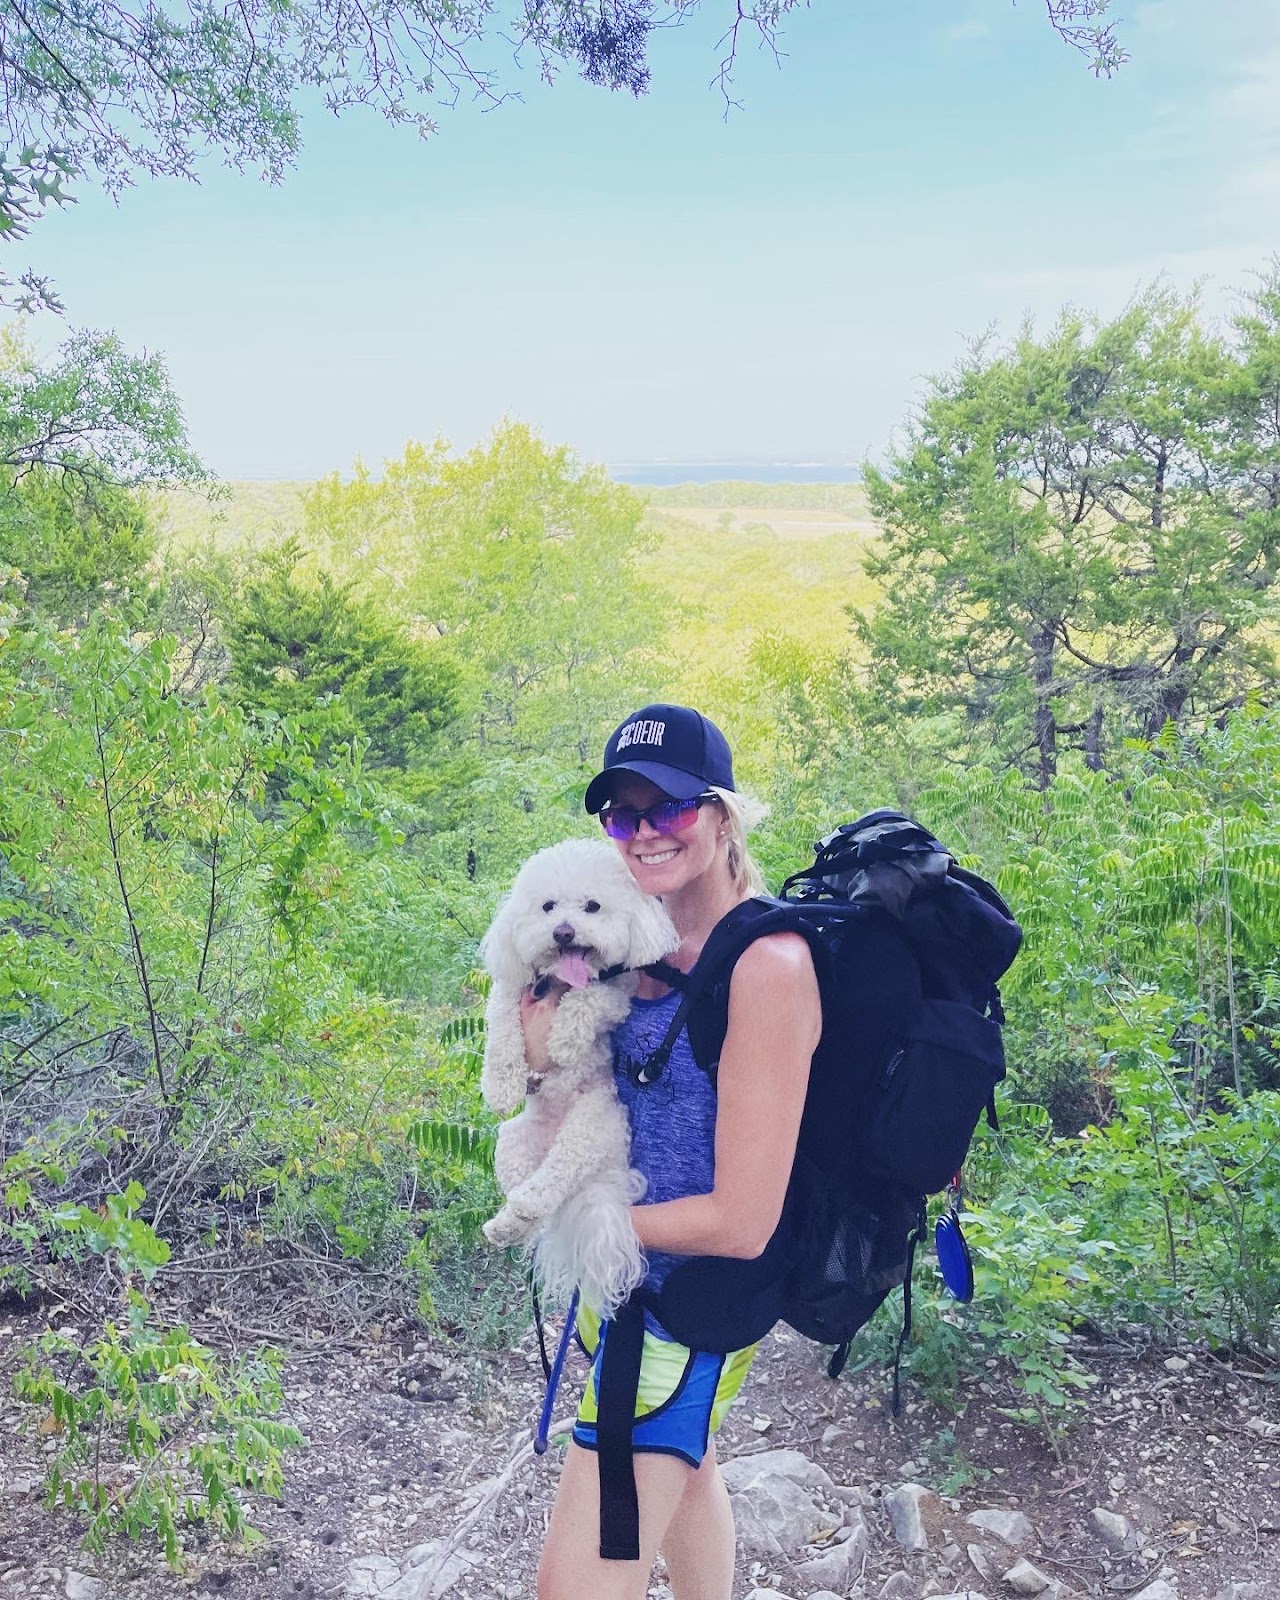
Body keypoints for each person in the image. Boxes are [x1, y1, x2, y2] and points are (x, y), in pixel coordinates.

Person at [518, 703, 822, 1600]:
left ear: (722, 817)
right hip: (626, 1283)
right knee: (693, 1467)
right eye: (624, 815)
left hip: (685, 1310)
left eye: (672, 808)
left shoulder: (767, 966)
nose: (646, 832)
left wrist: (581, 1219)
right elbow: (562, 1078)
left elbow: (741, 1221)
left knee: (571, 1590)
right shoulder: (628, 941)